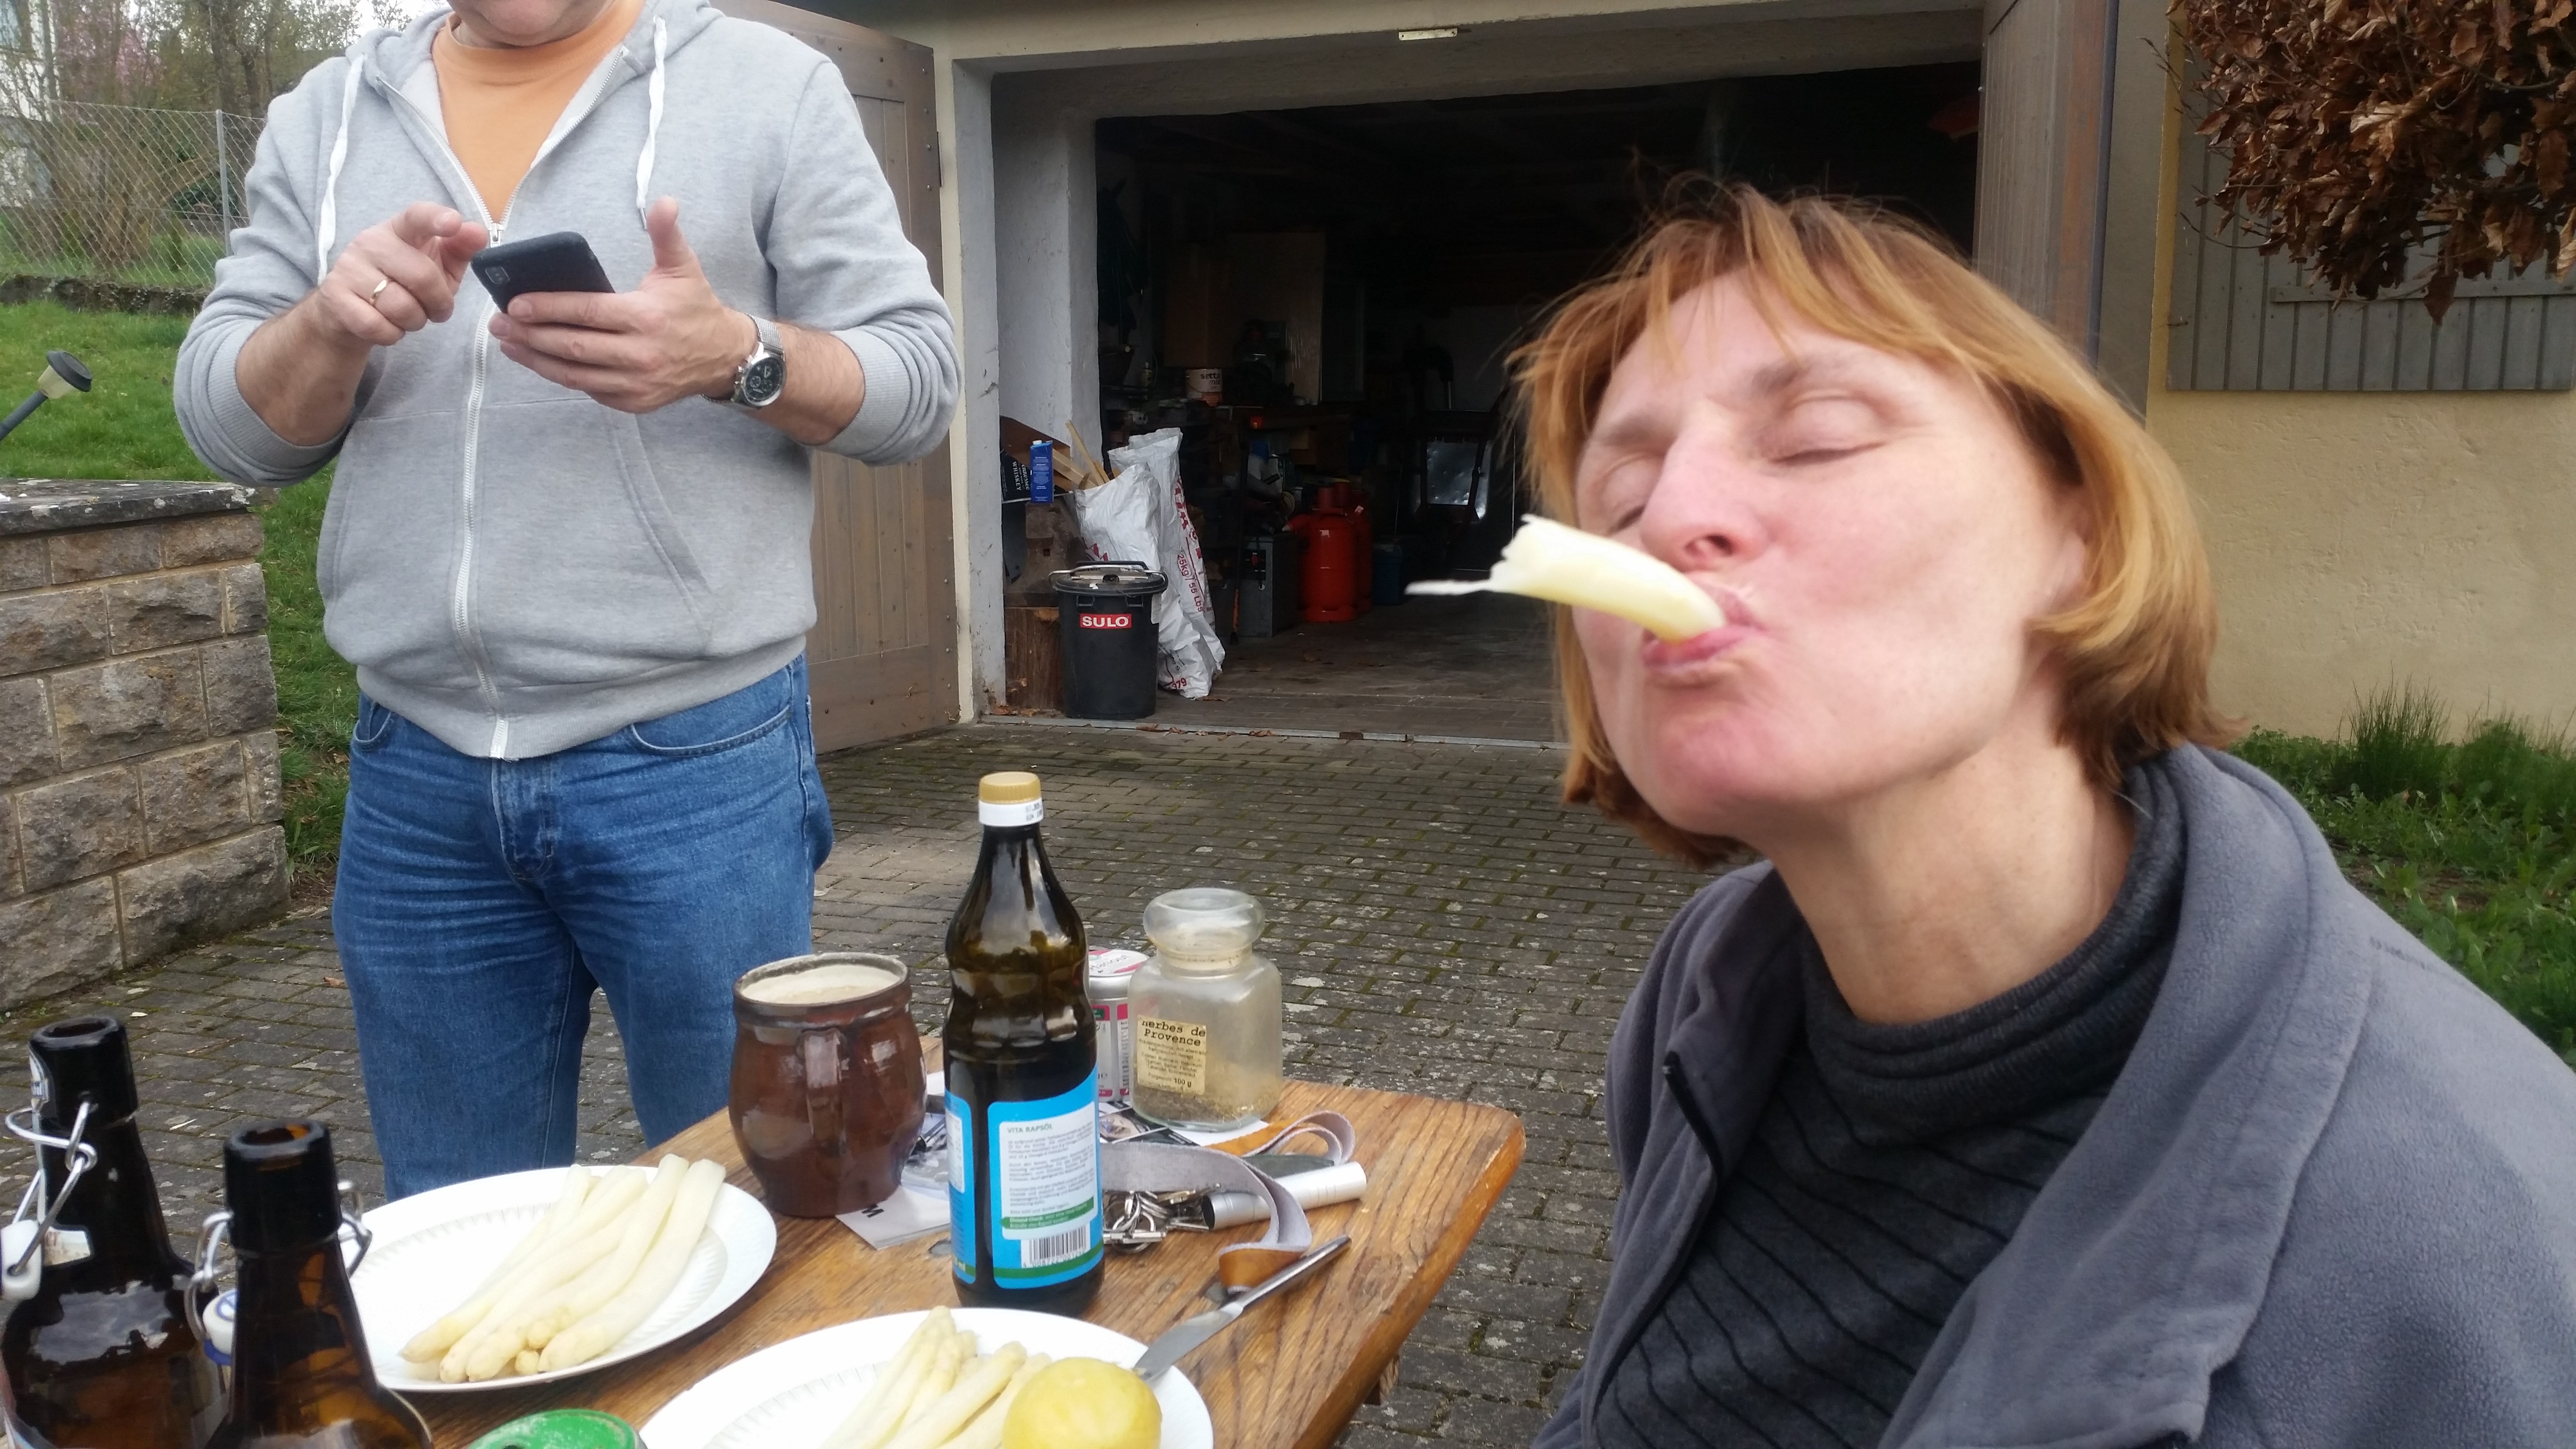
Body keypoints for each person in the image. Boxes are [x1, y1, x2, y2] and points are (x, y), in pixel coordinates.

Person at [1522, 189, 2576, 1448]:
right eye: (1620, 497)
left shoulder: (2456, 1248)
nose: (1668, 522)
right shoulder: (1710, 998)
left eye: (1815, 437)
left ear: (2082, 530)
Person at [175, 0, 956, 1198]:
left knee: (753, 1201)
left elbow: (920, 382)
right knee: (461, 1237)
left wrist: (736, 356)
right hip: (415, 777)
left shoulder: (769, 85)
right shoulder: (325, 114)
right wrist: (327, 327)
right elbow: (230, 431)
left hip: (695, 765)